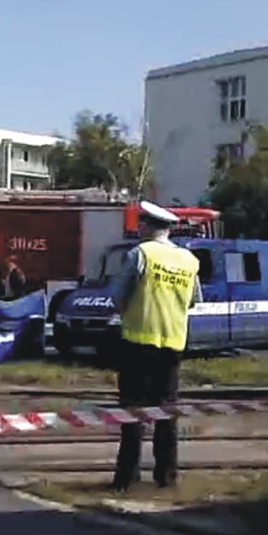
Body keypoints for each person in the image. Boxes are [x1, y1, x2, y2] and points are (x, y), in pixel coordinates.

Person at [108, 201, 203, 491]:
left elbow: (118, 296)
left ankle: (127, 476)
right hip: (173, 344)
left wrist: (129, 313)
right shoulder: (188, 260)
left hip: (138, 341)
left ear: (147, 226)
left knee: (132, 413)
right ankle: (166, 475)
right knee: (166, 413)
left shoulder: (140, 254)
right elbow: (194, 300)